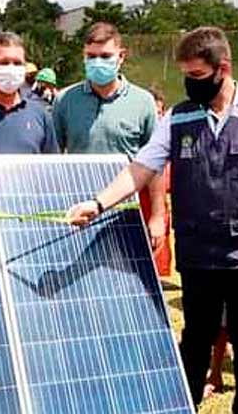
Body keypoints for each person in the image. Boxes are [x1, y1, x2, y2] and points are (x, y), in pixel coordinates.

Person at [65, 26, 238, 414]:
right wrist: (98, 203)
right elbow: (141, 168)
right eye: (186, 74)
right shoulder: (178, 118)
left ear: (222, 69)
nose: (190, 82)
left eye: (197, 73)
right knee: (195, 338)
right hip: (198, 253)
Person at [52, 22, 167, 275]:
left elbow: (155, 165)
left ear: (121, 57)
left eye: (105, 56)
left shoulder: (143, 102)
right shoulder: (65, 100)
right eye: (91, 57)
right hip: (80, 211)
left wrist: (158, 216)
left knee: (122, 290)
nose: (97, 62)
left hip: (126, 214)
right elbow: (52, 158)